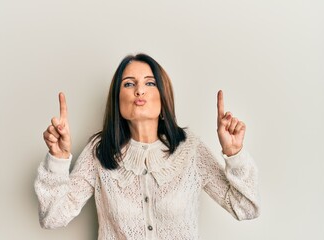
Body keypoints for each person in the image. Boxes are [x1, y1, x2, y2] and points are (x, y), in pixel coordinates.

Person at [34, 53, 260, 239]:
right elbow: (53, 217)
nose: (139, 91)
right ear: (117, 99)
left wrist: (234, 153)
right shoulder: (99, 151)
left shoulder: (190, 149)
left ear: (163, 99)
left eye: (149, 83)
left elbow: (245, 208)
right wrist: (59, 159)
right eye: (129, 84)